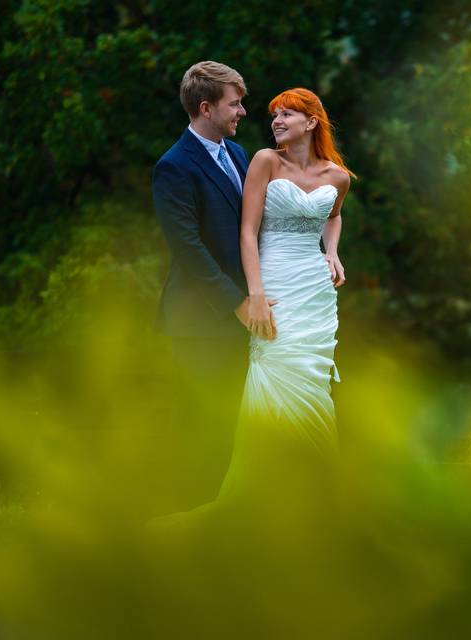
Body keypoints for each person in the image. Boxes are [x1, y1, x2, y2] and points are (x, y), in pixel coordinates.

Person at [215, 87, 352, 499]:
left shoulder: (337, 176)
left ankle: (315, 488)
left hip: (315, 290)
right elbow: (247, 231)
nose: (276, 121)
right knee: (275, 366)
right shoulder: (264, 161)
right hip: (273, 280)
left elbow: (334, 215)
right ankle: (264, 489)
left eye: (287, 115)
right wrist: (255, 292)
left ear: (311, 122)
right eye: (274, 115)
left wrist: (332, 252)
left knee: (313, 381)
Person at [151, 61, 252, 508]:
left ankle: (220, 519)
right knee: (202, 427)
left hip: (241, 317)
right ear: (206, 107)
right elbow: (189, 249)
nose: (243, 112)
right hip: (200, 323)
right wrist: (236, 303)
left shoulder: (240, 155)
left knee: (233, 426)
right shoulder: (173, 167)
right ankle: (188, 520)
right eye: (235, 103)